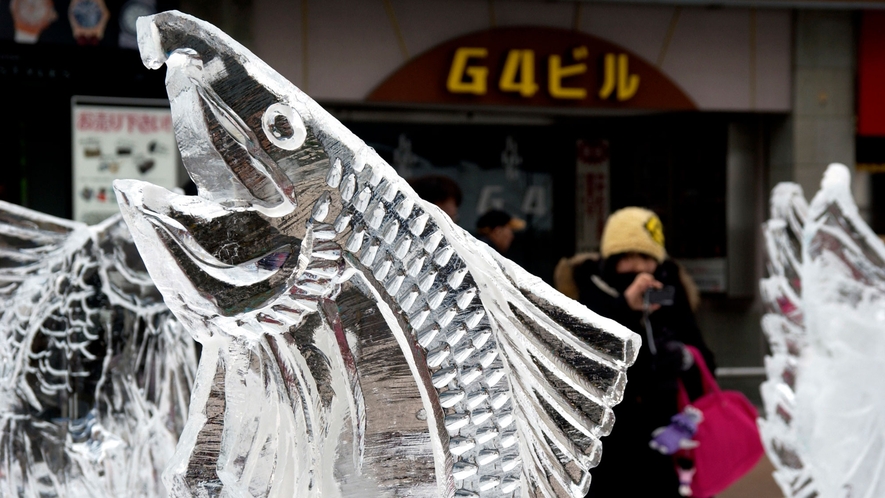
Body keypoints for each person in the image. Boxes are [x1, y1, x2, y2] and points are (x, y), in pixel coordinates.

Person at [554, 207, 713, 498]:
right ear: (610, 261)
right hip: (609, 443)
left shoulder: (671, 293)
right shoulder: (587, 294)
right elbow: (582, 362)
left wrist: (683, 358)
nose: (637, 266)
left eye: (645, 257)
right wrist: (626, 307)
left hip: (667, 438)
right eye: (626, 257)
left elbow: (705, 361)